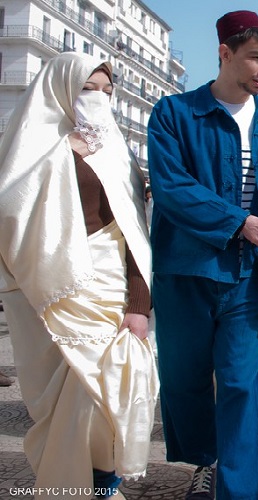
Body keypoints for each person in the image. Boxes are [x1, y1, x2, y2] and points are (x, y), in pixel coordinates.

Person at [147, 11, 258, 499]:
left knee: (242, 382)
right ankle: (206, 461)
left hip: (247, 277)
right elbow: (171, 188)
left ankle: (243, 490)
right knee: (183, 378)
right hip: (184, 269)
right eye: (255, 57)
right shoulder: (173, 113)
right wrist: (237, 221)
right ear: (224, 53)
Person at [0, 52, 156, 499]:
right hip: (51, 288)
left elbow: (135, 229)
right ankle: (68, 486)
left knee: (113, 388)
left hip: (111, 287)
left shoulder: (117, 152)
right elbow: (11, 209)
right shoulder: (34, 147)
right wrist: (60, 157)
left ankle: (104, 483)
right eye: (89, 89)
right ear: (61, 90)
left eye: (108, 92)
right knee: (70, 395)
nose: (100, 99)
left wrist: (139, 303)